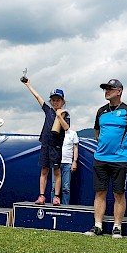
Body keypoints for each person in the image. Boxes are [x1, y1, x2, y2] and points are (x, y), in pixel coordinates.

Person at [85, 79, 127, 238]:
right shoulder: (100, 111)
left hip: (120, 160)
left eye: (110, 89)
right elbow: (98, 134)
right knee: (100, 192)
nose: (106, 91)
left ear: (119, 91)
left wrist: (126, 153)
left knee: (119, 193)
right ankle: (98, 226)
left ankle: (117, 227)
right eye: (105, 89)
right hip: (101, 158)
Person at [22, 78, 70, 206]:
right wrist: (28, 85)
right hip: (45, 144)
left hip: (56, 146)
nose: (55, 102)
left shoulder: (65, 114)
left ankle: (56, 197)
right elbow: (37, 96)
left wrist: (60, 116)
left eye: (58, 100)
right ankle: (42, 196)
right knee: (44, 170)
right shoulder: (48, 110)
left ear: (62, 101)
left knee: (56, 172)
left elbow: (66, 128)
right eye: (53, 100)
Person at [50, 129, 79, 205]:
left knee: (66, 187)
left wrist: (74, 161)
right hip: (56, 162)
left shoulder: (73, 133)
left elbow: (75, 148)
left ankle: (65, 206)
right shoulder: (55, 132)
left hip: (67, 162)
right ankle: (52, 206)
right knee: (54, 186)